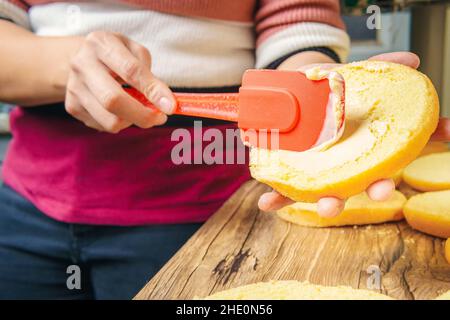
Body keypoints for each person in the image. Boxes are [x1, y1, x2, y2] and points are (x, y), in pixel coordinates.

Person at [0, 0, 447, 299]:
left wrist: (318, 98)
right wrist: (65, 64)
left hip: (200, 223)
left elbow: (297, 28)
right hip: (21, 212)